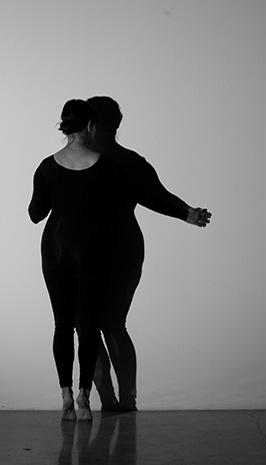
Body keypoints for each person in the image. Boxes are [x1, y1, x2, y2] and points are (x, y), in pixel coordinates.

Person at [29, 99, 198, 420]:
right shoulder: (107, 166)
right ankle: (86, 397)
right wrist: (184, 213)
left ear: (66, 127)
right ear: (91, 127)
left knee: (63, 325)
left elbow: (36, 214)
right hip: (93, 250)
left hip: (56, 251)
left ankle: (65, 393)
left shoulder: (47, 167)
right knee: (94, 327)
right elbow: (146, 195)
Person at [86, 96, 211, 411]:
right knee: (110, 323)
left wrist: (186, 212)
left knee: (92, 324)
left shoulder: (80, 161)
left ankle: (112, 399)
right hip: (120, 248)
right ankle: (123, 399)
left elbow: (154, 196)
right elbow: (156, 196)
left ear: (91, 124)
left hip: (95, 249)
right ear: (116, 123)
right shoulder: (129, 161)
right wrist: (186, 213)